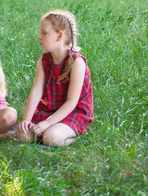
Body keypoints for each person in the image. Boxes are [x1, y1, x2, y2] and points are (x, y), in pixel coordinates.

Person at [17, 10, 93, 146]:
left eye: (44, 33)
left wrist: (48, 123)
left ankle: (73, 135)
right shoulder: (44, 60)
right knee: (23, 135)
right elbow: (36, 91)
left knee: (50, 138)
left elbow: (71, 102)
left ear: (59, 36)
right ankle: (48, 131)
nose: (39, 37)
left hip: (73, 113)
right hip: (49, 110)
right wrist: (26, 119)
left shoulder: (77, 63)